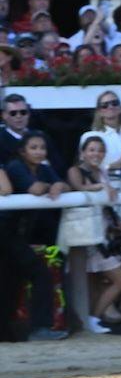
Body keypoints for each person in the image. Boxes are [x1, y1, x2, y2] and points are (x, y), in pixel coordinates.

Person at [0, 144, 67, 341]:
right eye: (33, 148)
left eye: (42, 148)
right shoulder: (15, 167)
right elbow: (8, 189)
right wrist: (49, 186)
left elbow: (63, 184)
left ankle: (8, 332)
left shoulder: (42, 169)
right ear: (23, 151)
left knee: (11, 280)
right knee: (39, 274)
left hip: (13, 232)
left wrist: (57, 185)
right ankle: (40, 328)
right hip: (7, 232)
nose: (39, 152)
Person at [64, 135, 121, 334]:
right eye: (91, 150)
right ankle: (92, 319)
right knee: (119, 280)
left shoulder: (102, 172)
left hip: (102, 234)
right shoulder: (74, 170)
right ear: (82, 153)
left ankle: (90, 320)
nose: (96, 154)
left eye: (100, 150)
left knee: (97, 282)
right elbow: (79, 187)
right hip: (86, 235)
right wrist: (101, 186)